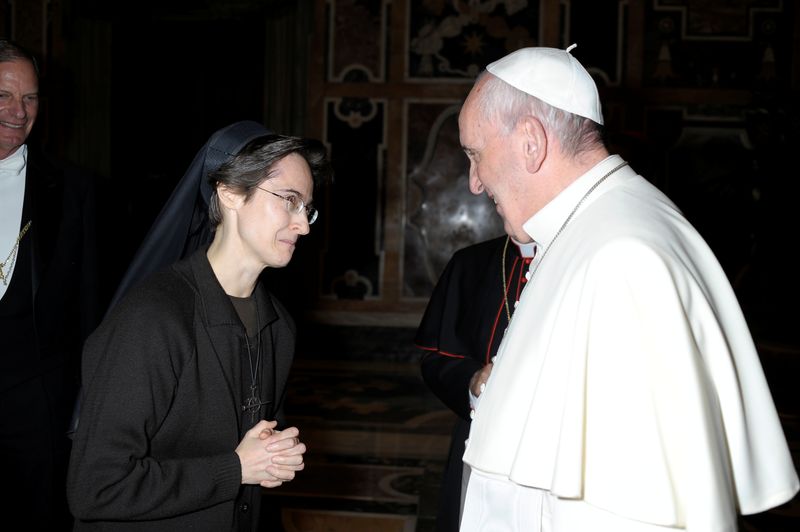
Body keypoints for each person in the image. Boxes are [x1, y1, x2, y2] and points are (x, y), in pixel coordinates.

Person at [456, 44, 799, 531]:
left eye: (476, 153)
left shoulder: (622, 257)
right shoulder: (596, 225)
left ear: (530, 142)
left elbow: (635, 509)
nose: (474, 182)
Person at [67, 129, 331, 531]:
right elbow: (96, 487)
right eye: (289, 201)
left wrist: (274, 457)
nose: (304, 226)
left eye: (307, 208)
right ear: (230, 194)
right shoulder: (152, 319)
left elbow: (251, 454)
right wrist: (236, 468)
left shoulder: (279, 326)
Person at [0, 40, 99, 530]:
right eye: (4, 95)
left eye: (31, 98)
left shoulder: (75, 189)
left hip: (39, 405)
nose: (19, 111)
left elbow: (92, 307)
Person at [415, 234, 535, 531]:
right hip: (478, 437)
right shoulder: (472, 262)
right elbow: (436, 356)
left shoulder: (588, 258)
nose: (476, 185)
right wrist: (471, 381)